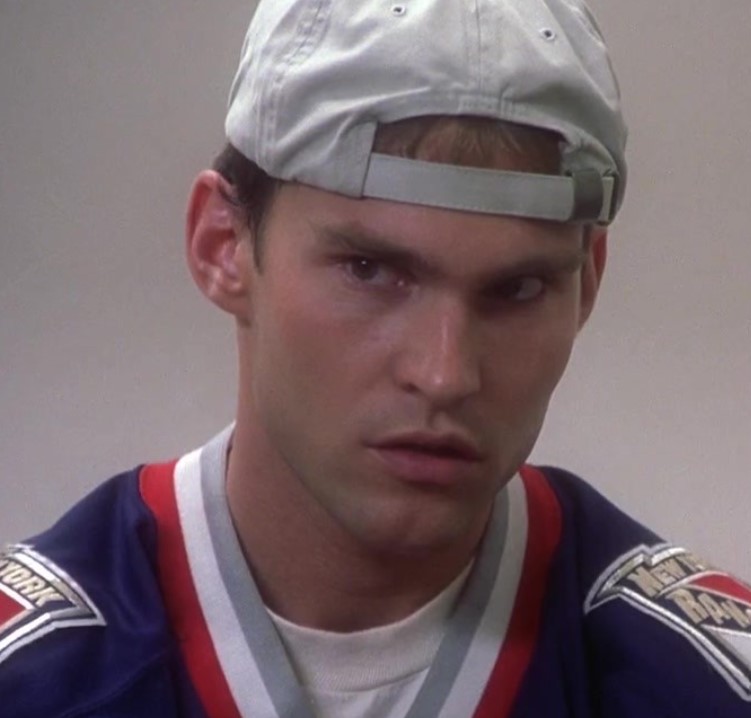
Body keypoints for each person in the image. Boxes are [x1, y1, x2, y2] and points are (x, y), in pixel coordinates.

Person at [2, 0, 751, 715]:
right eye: (368, 270)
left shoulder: (699, 686)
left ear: (587, 282)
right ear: (222, 244)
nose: (444, 374)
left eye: (518, 289)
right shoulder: (31, 677)